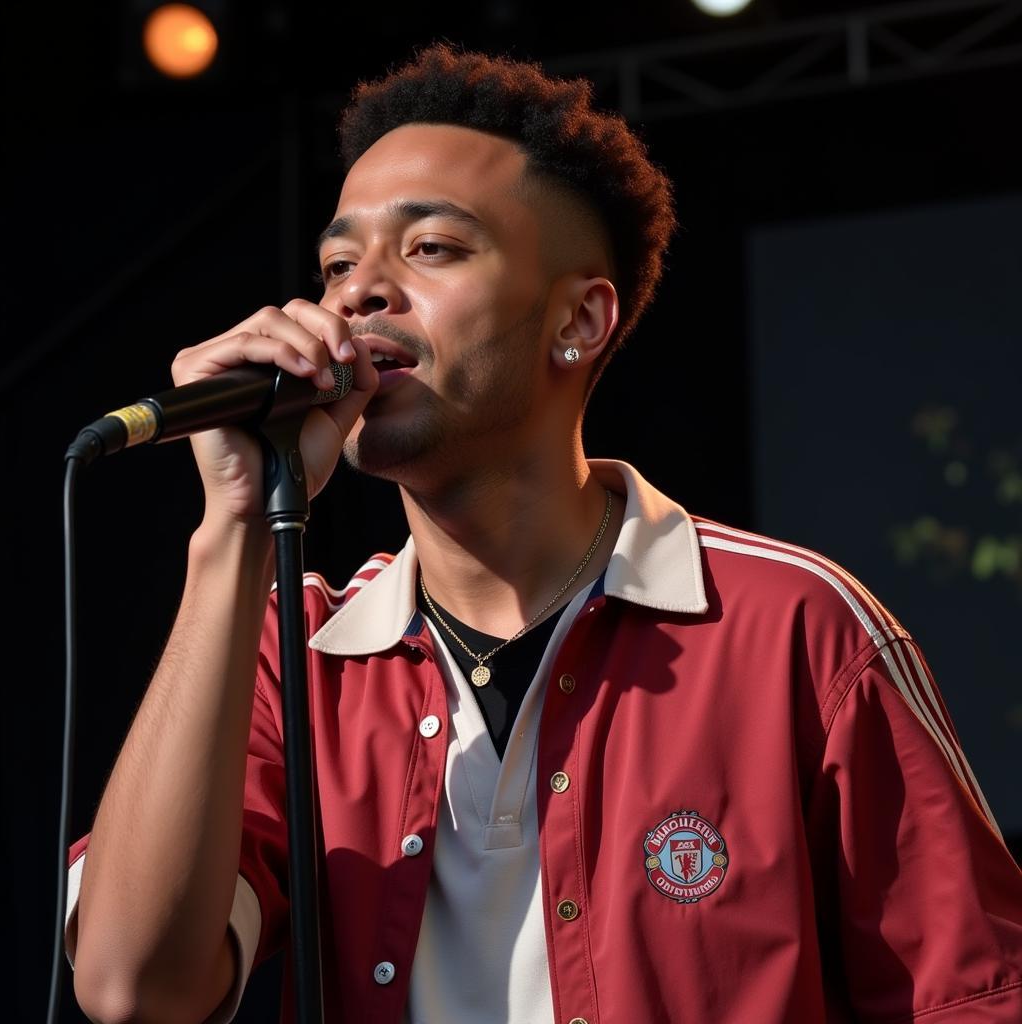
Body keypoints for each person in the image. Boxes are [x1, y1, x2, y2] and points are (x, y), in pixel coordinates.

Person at [66, 44, 1022, 1024]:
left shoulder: (798, 628)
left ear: (579, 319)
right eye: (337, 264)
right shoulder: (295, 656)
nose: (356, 294)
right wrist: (233, 527)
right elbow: (133, 989)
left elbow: (974, 998)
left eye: (430, 248)